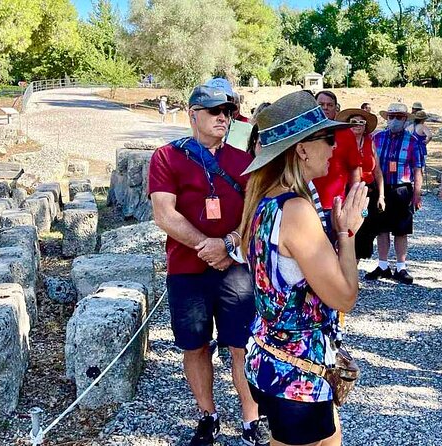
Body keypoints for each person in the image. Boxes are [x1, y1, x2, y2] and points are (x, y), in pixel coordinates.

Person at [239, 90, 367, 446]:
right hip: (297, 372)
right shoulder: (295, 210)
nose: (334, 147)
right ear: (302, 149)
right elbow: (344, 296)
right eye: (327, 138)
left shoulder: (263, 202)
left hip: (271, 359)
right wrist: (347, 232)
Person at [148, 85, 268, 446]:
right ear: (192, 113)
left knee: (241, 344)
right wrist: (207, 246)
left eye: (228, 111)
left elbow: (255, 214)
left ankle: (251, 417)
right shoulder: (167, 157)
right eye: (214, 109)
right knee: (195, 345)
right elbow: (163, 213)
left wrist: (228, 243)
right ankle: (207, 414)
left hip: (236, 269)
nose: (222, 117)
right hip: (187, 269)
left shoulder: (245, 161)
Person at [366, 103, 423, 284]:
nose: (395, 120)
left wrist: (417, 194)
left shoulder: (413, 141)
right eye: (391, 117)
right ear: (387, 118)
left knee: (401, 230)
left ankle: (401, 267)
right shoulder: (377, 138)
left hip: (401, 189)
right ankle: (383, 265)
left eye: (399, 117)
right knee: (381, 228)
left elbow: (417, 169)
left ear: (405, 119)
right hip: (381, 189)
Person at [337, 107, 385, 260]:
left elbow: (377, 170)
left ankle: (354, 269)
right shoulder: (340, 141)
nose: (357, 124)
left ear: (365, 126)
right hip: (347, 191)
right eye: (353, 122)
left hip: (368, 192)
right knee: (346, 229)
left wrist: (381, 196)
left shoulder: (370, 142)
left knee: (364, 230)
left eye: (361, 122)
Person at [312, 91, 362, 234]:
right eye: (321, 104)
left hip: (335, 205)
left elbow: (354, 169)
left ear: (336, 108)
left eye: (330, 105)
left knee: (335, 248)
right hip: (306, 201)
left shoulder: (346, 134)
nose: (325, 108)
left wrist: (353, 201)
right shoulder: (305, 133)